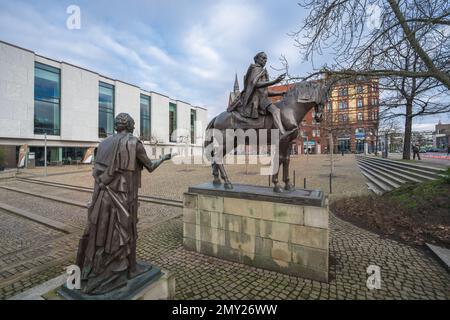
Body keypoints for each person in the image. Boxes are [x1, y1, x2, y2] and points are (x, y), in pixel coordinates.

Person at [75, 113, 171, 295]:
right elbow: (150, 166)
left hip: (103, 196)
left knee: (104, 234)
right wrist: (164, 158)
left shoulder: (103, 144)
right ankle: (130, 268)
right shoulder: (134, 143)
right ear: (130, 126)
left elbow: (96, 172)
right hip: (125, 197)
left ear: (117, 126)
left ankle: (102, 268)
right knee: (127, 230)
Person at [236, 52, 291, 137]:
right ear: (257, 59)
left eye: (266, 59)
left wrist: (280, 93)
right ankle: (282, 133)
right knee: (276, 111)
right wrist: (274, 82)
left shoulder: (262, 71)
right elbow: (255, 84)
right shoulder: (256, 68)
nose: (265, 60)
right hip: (257, 99)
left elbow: (265, 91)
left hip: (262, 98)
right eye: (263, 58)